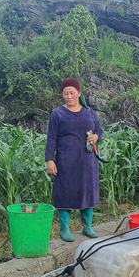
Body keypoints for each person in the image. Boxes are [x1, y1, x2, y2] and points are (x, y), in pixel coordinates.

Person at [45, 78, 104, 242]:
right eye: (65, 93)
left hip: (87, 160)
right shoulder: (58, 114)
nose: (69, 96)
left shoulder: (89, 112)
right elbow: (51, 138)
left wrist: (96, 136)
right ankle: (64, 229)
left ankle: (87, 227)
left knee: (87, 190)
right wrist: (50, 159)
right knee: (64, 192)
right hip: (65, 160)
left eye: (72, 93)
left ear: (79, 93)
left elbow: (99, 130)